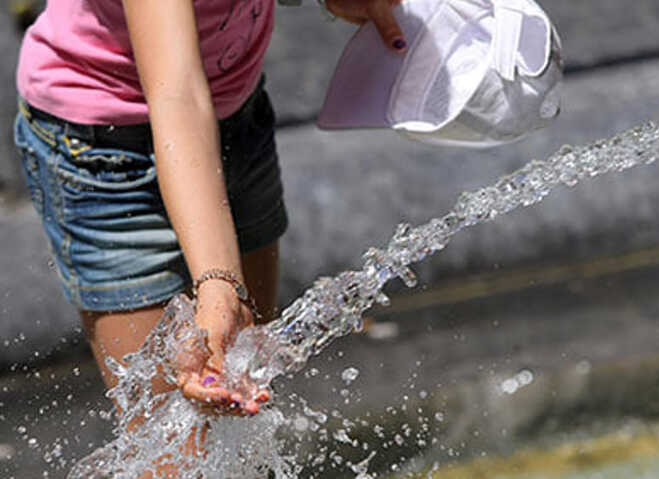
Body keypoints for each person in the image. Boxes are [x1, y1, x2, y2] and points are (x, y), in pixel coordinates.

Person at [13, 0, 407, 469]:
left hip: (235, 116)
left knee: (241, 413)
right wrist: (219, 283)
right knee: (174, 452)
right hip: (105, 153)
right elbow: (177, 94)